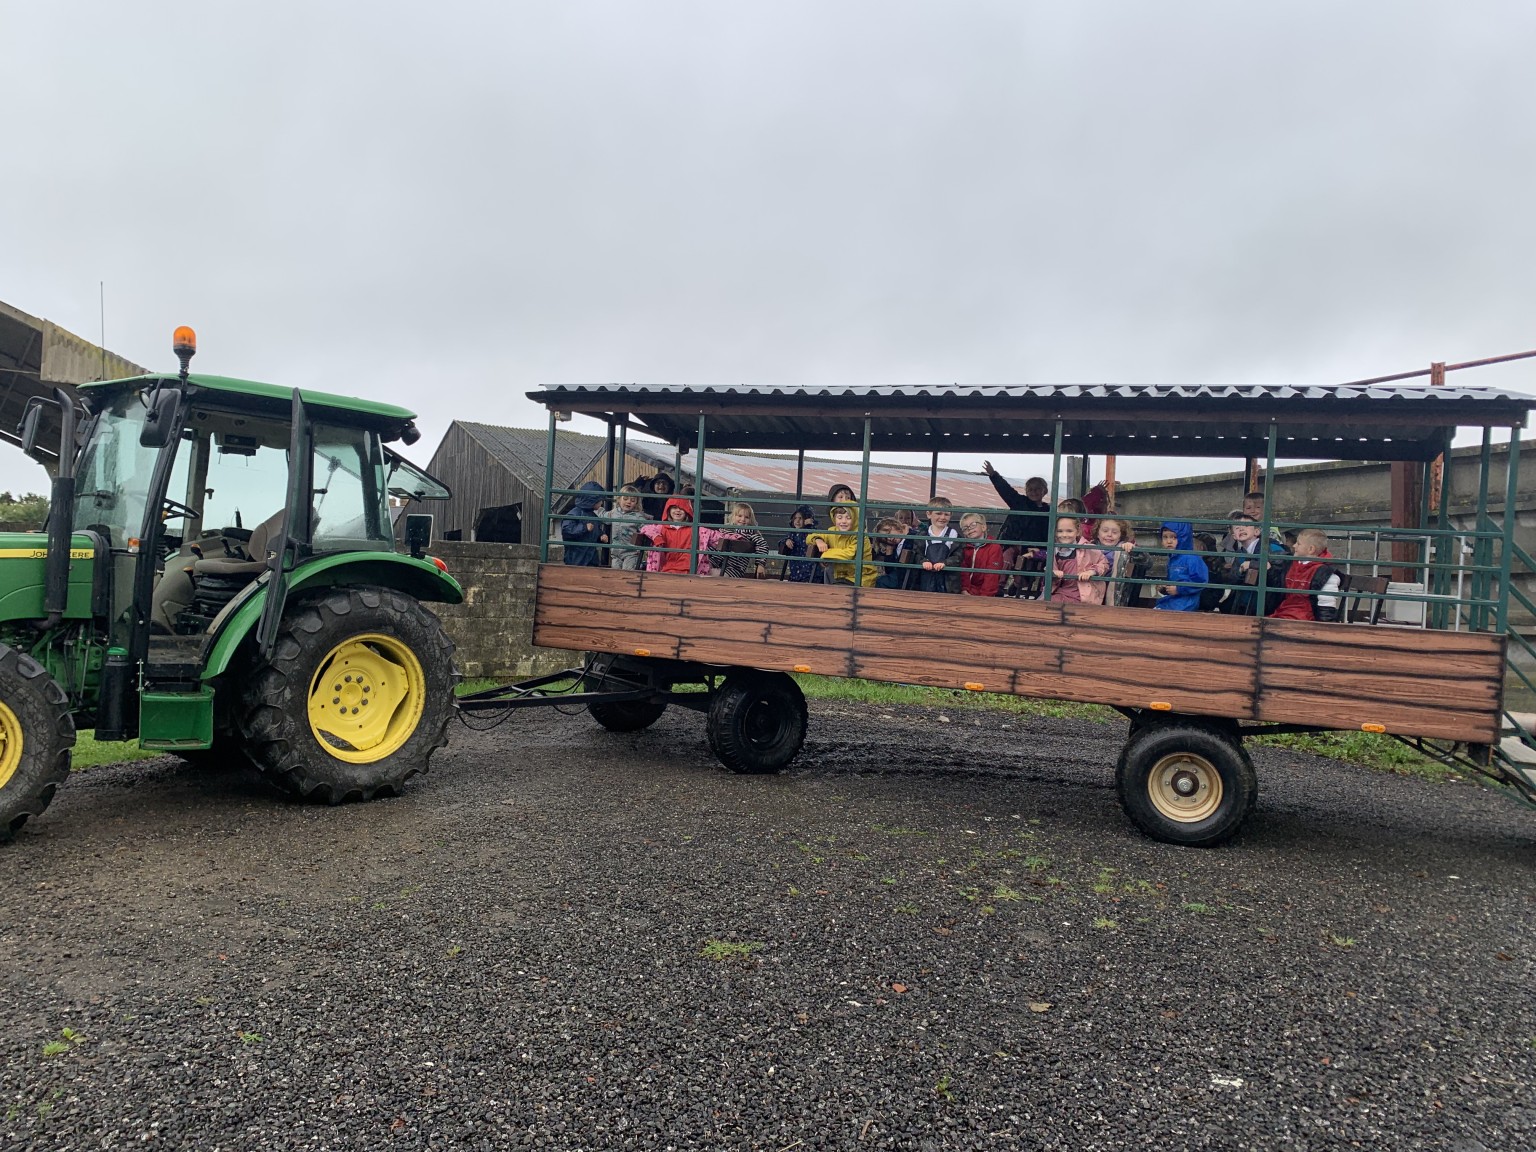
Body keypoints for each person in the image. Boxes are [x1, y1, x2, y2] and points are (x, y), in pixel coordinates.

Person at [981, 464, 1051, 582]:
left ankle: (1019, 585)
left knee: (1025, 571)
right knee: (1004, 561)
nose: (1034, 492)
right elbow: (1005, 490)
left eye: (1038, 489)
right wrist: (994, 475)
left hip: (1033, 547)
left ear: (1045, 491)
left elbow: (1047, 532)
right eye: (1030, 489)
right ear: (1026, 491)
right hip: (1012, 542)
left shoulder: (1048, 511)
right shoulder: (1019, 502)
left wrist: (1043, 548)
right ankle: (999, 586)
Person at [1269, 528, 1342, 621]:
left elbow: (1326, 605)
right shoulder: (1292, 564)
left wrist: (1324, 629)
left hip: (1304, 619)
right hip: (1283, 613)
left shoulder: (1325, 574)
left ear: (1311, 549)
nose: (1294, 546)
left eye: (1298, 543)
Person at [1223, 513, 1288, 616]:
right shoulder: (1240, 553)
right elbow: (1232, 579)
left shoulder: (1273, 549)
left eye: (1246, 526)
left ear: (1256, 531)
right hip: (1243, 606)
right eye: (1237, 527)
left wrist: (1252, 565)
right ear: (1234, 536)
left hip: (1267, 607)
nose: (1241, 529)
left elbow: (1278, 580)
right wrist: (1240, 571)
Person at [638, 497, 723, 575]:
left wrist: (735, 536)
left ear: (687, 511)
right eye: (674, 508)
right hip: (665, 567)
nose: (678, 510)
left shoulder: (697, 530)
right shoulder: (661, 528)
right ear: (668, 510)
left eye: (682, 508)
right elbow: (645, 528)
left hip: (688, 569)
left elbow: (717, 536)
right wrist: (656, 537)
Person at [807, 503, 876, 586]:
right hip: (841, 577)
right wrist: (818, 540)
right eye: (839, 517)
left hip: (861, 578)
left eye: (848, 518)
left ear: (855, 519)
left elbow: (848, 554)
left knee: (834, 589)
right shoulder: (832, 531)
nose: (843, 521)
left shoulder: (860, 535)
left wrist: (825, 554)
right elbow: (809, 537)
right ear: (834, 519)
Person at [1050, 515, 1110, 603]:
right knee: (1044, 605)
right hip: (1059, 591)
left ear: (1077, 532)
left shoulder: (1088, 548)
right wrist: (1053, 573)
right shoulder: (1054, 550)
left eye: (1069, 531)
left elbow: (1104, 564)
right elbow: (1048, 573)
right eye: (1060, 531)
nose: (1064, 535)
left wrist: (1091, 572)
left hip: (1081, 593)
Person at [1154, 521, 1209, 612]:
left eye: (1174, 537)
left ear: (1183, 537)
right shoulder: (1173, 558)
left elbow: (1200, 581)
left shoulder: (1192, 558)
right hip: (1173, 601)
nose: (1169, 541)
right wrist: (1165, 588)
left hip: (1186, 603)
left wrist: (1179, 589)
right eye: (1165, 537)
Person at [912, 497, 962, 593]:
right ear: (928, 514)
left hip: (947, 580)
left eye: (946, 514)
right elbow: (916, 553)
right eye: (938, 513)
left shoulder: (954, 534)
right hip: (926, 578)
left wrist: (946, 563)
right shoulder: (922, 534)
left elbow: (958, 556)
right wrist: (923, 561)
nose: (942, 517)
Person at [1094, 518, 1145, 607]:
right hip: (1093, 590)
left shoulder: (1123, 548)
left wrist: (1131, 549)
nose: (1109, 535)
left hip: (1115, 593)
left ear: (1121, 535)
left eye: (1115, 532)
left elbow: (1146, 561)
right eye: (1105, 531)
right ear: (1097, 533)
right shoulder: (1090, 548)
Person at [958, 513, 1007, 597]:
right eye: (965, 528)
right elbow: (963, 572)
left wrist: (985, 596)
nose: (969, 529)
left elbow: (992, 576)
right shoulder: (964, 547)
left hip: (985, 593)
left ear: (983, 527)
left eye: (973, 525)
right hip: (966, 592)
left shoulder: (994, 547)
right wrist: (964, 590)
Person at [560, 481, 607, 566]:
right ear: (592, 500)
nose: (601, 503)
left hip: (590, 558)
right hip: (576, 557)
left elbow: (595, 533)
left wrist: (601, 537)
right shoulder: (574, 513)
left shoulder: (593, 516)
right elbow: (567, 530)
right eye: (600, 501)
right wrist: (584, 528)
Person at [604, 484, 650, 571]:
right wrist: (597, 510)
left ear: (636, 503)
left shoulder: (637, 516)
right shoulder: (614, 513)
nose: (628, 502)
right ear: (619, 500)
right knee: (615, 573)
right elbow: (605, 518)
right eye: (625, 499)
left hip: (631, 553)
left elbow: (646, 528)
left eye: (632, 500)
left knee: (627, 572)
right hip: (616, 553)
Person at [718, 503, 768, 578]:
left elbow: (762, 545)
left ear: (750, 520)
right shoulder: (725, 529)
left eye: (746, 517)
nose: (743, 519)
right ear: (734, 516)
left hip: (735, 568)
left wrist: (760, 564)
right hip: (718, 563)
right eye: (739, 516)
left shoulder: (751, 533)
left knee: (716, 576)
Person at [779, 505, 824, 583]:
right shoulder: (792, 533)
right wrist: (786, 541)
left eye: (800, 518)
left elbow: (815, 535)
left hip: (810, 575)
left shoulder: (811, 532)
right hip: (795, 573)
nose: (797, 521)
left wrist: (810, 525)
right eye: (795, 518)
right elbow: (780, 544)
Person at [871, 517, 916, 590]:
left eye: (889, 533)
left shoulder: (913, 537)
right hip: (902, 579)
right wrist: (889, 550)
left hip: (911, 579)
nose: (889, 538)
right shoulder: (896, 546)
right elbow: (889, 571)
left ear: (895, 525)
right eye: (885, 539)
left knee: (881, 581)